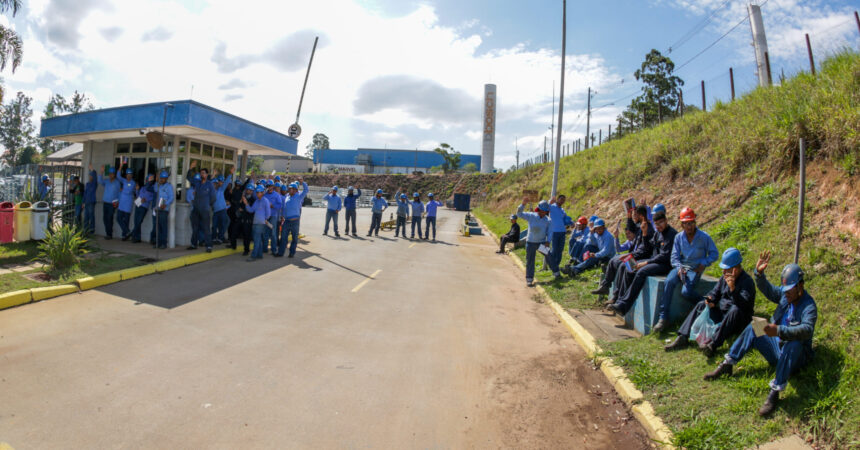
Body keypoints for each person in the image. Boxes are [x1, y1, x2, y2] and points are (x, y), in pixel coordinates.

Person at [703, 253, 817, 417]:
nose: (786, 294)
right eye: (784, 290)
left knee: (794, 343)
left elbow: (806, 329)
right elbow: (771, 292)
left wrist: (778, 331)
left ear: (801, 286)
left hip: (795, 357)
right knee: (755, 326)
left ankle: (775, 392)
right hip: (777, 347)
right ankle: (728, 364)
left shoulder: (809, 306)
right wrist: (759, 275)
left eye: (790, 290)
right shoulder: (786, 296)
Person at [664, 248, 755, 356]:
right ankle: (683, 337)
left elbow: (744, 305)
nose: (724, 272)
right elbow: (714, 293)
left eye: (727, 269)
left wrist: (733, 289)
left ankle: (713, 344)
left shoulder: (747, 282)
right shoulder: (724, 278)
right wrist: (709, 299)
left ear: (736, 268)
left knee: (735, 309)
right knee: (701, 304)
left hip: (736, 319)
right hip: (722, 314)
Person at [652, 207, 719, 332]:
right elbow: (674, 256)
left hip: (694, 269)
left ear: (695, 223)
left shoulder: (704, 237)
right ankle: (663, 318)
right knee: (669, 282)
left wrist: (704, 263)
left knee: (686, 292)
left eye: (691, 223)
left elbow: (714, 254)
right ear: (682, 225)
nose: (689, 226)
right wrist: (678, 268)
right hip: (681, 267)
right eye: (686, 224)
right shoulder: (678, 237)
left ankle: (705, 304)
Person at [606, 210, 678, 316]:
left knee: (641, 272)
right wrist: (644, 234)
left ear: (666, 221)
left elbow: (664, 256)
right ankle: (619, 301)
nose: (659, 226)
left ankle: (624, 305)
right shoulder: (658, 233)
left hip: (664, 264)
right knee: (628, 266)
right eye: (657, 224)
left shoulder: (672, 234)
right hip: (653, 260)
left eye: (661, 222)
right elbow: (648, 248)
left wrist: (646, 263)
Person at [592, 205, 654, 296]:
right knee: (613, 260)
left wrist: (630, 255)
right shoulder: (640, 226)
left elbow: (645, 249)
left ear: (641, 216)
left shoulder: (647, 228)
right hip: (637, 253)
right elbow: (631, 227)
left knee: (623, 264)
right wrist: (628, 216)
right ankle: (605, 286)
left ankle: (617, 296)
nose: (633, 216)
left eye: (635, 214)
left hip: (642, 256)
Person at [517, 198, 552, 286]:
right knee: (530, 260)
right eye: (542, 211)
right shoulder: (531, 216)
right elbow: (519, 214)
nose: (543, 213)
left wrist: (548, 241)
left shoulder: (547, 220)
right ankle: (529, 278)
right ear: (538, 209)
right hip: (531, 243)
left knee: (549, 255)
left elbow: (550, 231)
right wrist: (523, 204)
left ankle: (556, 272)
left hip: (541, 243)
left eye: (545, 211)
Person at [186, 161, 217, 252]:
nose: (201, 174)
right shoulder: (197, 183)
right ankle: (193, 244)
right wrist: (191, 168)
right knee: (195, 228)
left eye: (203, 173)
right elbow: (188, 177)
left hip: (205, 210)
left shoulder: (210, 184)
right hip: (196, 209)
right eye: (200, 173)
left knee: (206, 228)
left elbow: (213, 198)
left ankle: (209, 246)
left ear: (207, 175)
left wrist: (207, 204)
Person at [277, 177, 309, 258]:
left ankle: (292, 253)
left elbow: (306, 190)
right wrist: (282, 216)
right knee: (283, 238)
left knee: (294, 238)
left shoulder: (298, 196)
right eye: (289, 188)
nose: (290, 190)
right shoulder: (287, 197)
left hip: (295, 221)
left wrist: (302, 182)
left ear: (295, 190)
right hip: (286, 221)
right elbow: (284, 207)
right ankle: (280, 253)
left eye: (291, 189)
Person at [243, 185, 271, 261]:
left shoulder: (265, 201)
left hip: (260, 224)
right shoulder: (257, 201)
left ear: (262, 193)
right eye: (257, 192)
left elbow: (268, 213)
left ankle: (254, 256)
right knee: (258, 240)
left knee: (256, 240)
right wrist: (246, 204)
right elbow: (251, 210)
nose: (257, 193)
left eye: (259, 192)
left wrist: (264, 219)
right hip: (255, 223)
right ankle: (259, 255)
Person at [97, 165, 122, 239]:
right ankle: (107, 233)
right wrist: (101, 172)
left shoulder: (117, 183)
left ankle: (109, 234)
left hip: (112, 204)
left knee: (109, 218)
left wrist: (118, 202)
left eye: (112, 174)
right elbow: (100, 181)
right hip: (105, 203)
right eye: (110, 174)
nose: (111, 175)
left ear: (114, 174)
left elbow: (119, 193)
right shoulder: (107, 181)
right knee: (105, 218)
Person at [228, 177, 252, 252]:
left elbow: (252, 210)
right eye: (247, 190)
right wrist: (239, 205)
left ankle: (246, 250)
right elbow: (238, 204)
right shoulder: (242, 197)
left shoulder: (253, 199)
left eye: (250, 190)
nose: (248, 191)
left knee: (246, 236)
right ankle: (233, 246)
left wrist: (244, 209)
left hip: (247, 220)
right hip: (240, 218)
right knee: (234, 232)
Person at [151, 170, 173, 249]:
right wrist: (157, 181)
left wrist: (165, 204)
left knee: (163, 227)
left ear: (166, 178)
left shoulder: (169, 186)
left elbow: (171, 197)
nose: (162, 179)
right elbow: (154, 189)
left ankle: (163, 243)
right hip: (158, 209)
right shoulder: (159, 185)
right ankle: (158, 243)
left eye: (163, 178)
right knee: (158, 227)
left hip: (164, 210)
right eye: (161, 178)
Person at [130, 173, 155, 243]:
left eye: (151, 179)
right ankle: (137, 237)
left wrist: (146, 199)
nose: (149, 180)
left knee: (139, 221)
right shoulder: (143, 187)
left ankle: (132, 234)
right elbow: (138, 195)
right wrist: (137, 190)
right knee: (136, 222)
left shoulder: (152, 188)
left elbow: (153, 197)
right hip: (138, 204)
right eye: (148, 179)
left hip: (144, 206)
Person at [547, 195, 570, 270]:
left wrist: (572, 223)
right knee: (554, 249)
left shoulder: (562, 210)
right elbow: (545, 208)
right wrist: (550, 202)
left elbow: (566, 219)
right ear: (558, 199)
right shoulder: (552, 207)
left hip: (562, 232)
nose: (562, 201)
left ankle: (556, 265)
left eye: (564, 200)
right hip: (555, 232)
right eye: (561, 199)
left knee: (560, 249)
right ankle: (551, 264)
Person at [211, 169, 233, 244]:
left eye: (215, 183)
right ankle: (214, 238)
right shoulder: (211, 192)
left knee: (224, 225)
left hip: (223, 210)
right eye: (214, 184)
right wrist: (213, 175)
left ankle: (220, 238)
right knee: (214, 226)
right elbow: (208, 183)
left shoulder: (221, 189)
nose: (215, 184)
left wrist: (230, 173)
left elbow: (226, 183)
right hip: (216, 211)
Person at [263, 179, 283, 253]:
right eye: (268, 186)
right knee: (265, 233)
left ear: (273, 186)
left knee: (273, 233)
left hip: (273, 217)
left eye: (270, 186)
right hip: (266, 217)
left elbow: (280, 205)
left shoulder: (277, 195)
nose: (269, 187)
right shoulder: (264, 195)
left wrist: (273, 206)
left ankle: (273, 249)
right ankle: (265, 249)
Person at [117, 168, 136, 241]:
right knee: (118, 218)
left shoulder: (133, 183)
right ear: (126, 175)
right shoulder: (124, 181)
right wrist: (121, 166)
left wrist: (122, 190)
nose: (129, 176)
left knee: (126, 221)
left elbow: (129, 191)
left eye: (130, 175)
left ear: (132, 175)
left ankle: (124, 235)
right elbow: (118, 176)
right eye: (128, 174)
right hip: (121, 204)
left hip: (127, 205)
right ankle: (127, 231)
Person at [83, 169, 98, 235]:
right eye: (90, 176)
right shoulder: (87, 184)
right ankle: (85, 230)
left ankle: (91, 231)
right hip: (86, 202)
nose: (90, 177)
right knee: (86, 217)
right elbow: (85, 193)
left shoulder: (94, 184)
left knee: (91, 216)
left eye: (91, 176)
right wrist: (83, 202)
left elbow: (95, 176)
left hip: (92, 202)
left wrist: (92, 169)